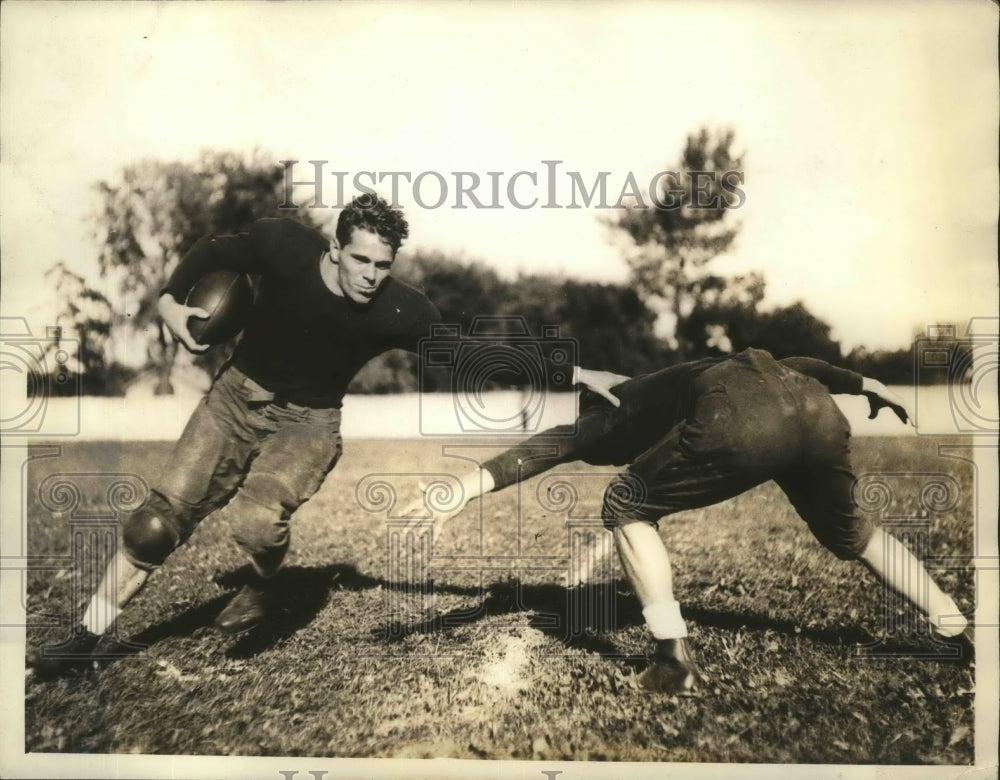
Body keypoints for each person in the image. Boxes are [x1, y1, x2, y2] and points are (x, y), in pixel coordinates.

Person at [27, 195, 625, 676]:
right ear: (335, 248)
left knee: (256, 522)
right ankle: (85, 639)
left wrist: (573, 372)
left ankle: (263, 585)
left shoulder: (400, 310)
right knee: (155, 525)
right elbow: (213, 248)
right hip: (234, 398)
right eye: (360, 259)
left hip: (308, 422)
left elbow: (474, 352)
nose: (370, 275)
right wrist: (166, 301)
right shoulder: (283, 246)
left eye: (382, 265)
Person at [406, 348, 974, 694]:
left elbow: (542, 448)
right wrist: (861, 383)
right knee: (855, 533)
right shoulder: (685, 377)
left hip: (740, 415)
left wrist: (457, 490)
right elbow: (796, 366)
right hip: (815, 409)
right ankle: (954, 629)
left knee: (626, 503)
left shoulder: (611, 409)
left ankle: (671, 661)